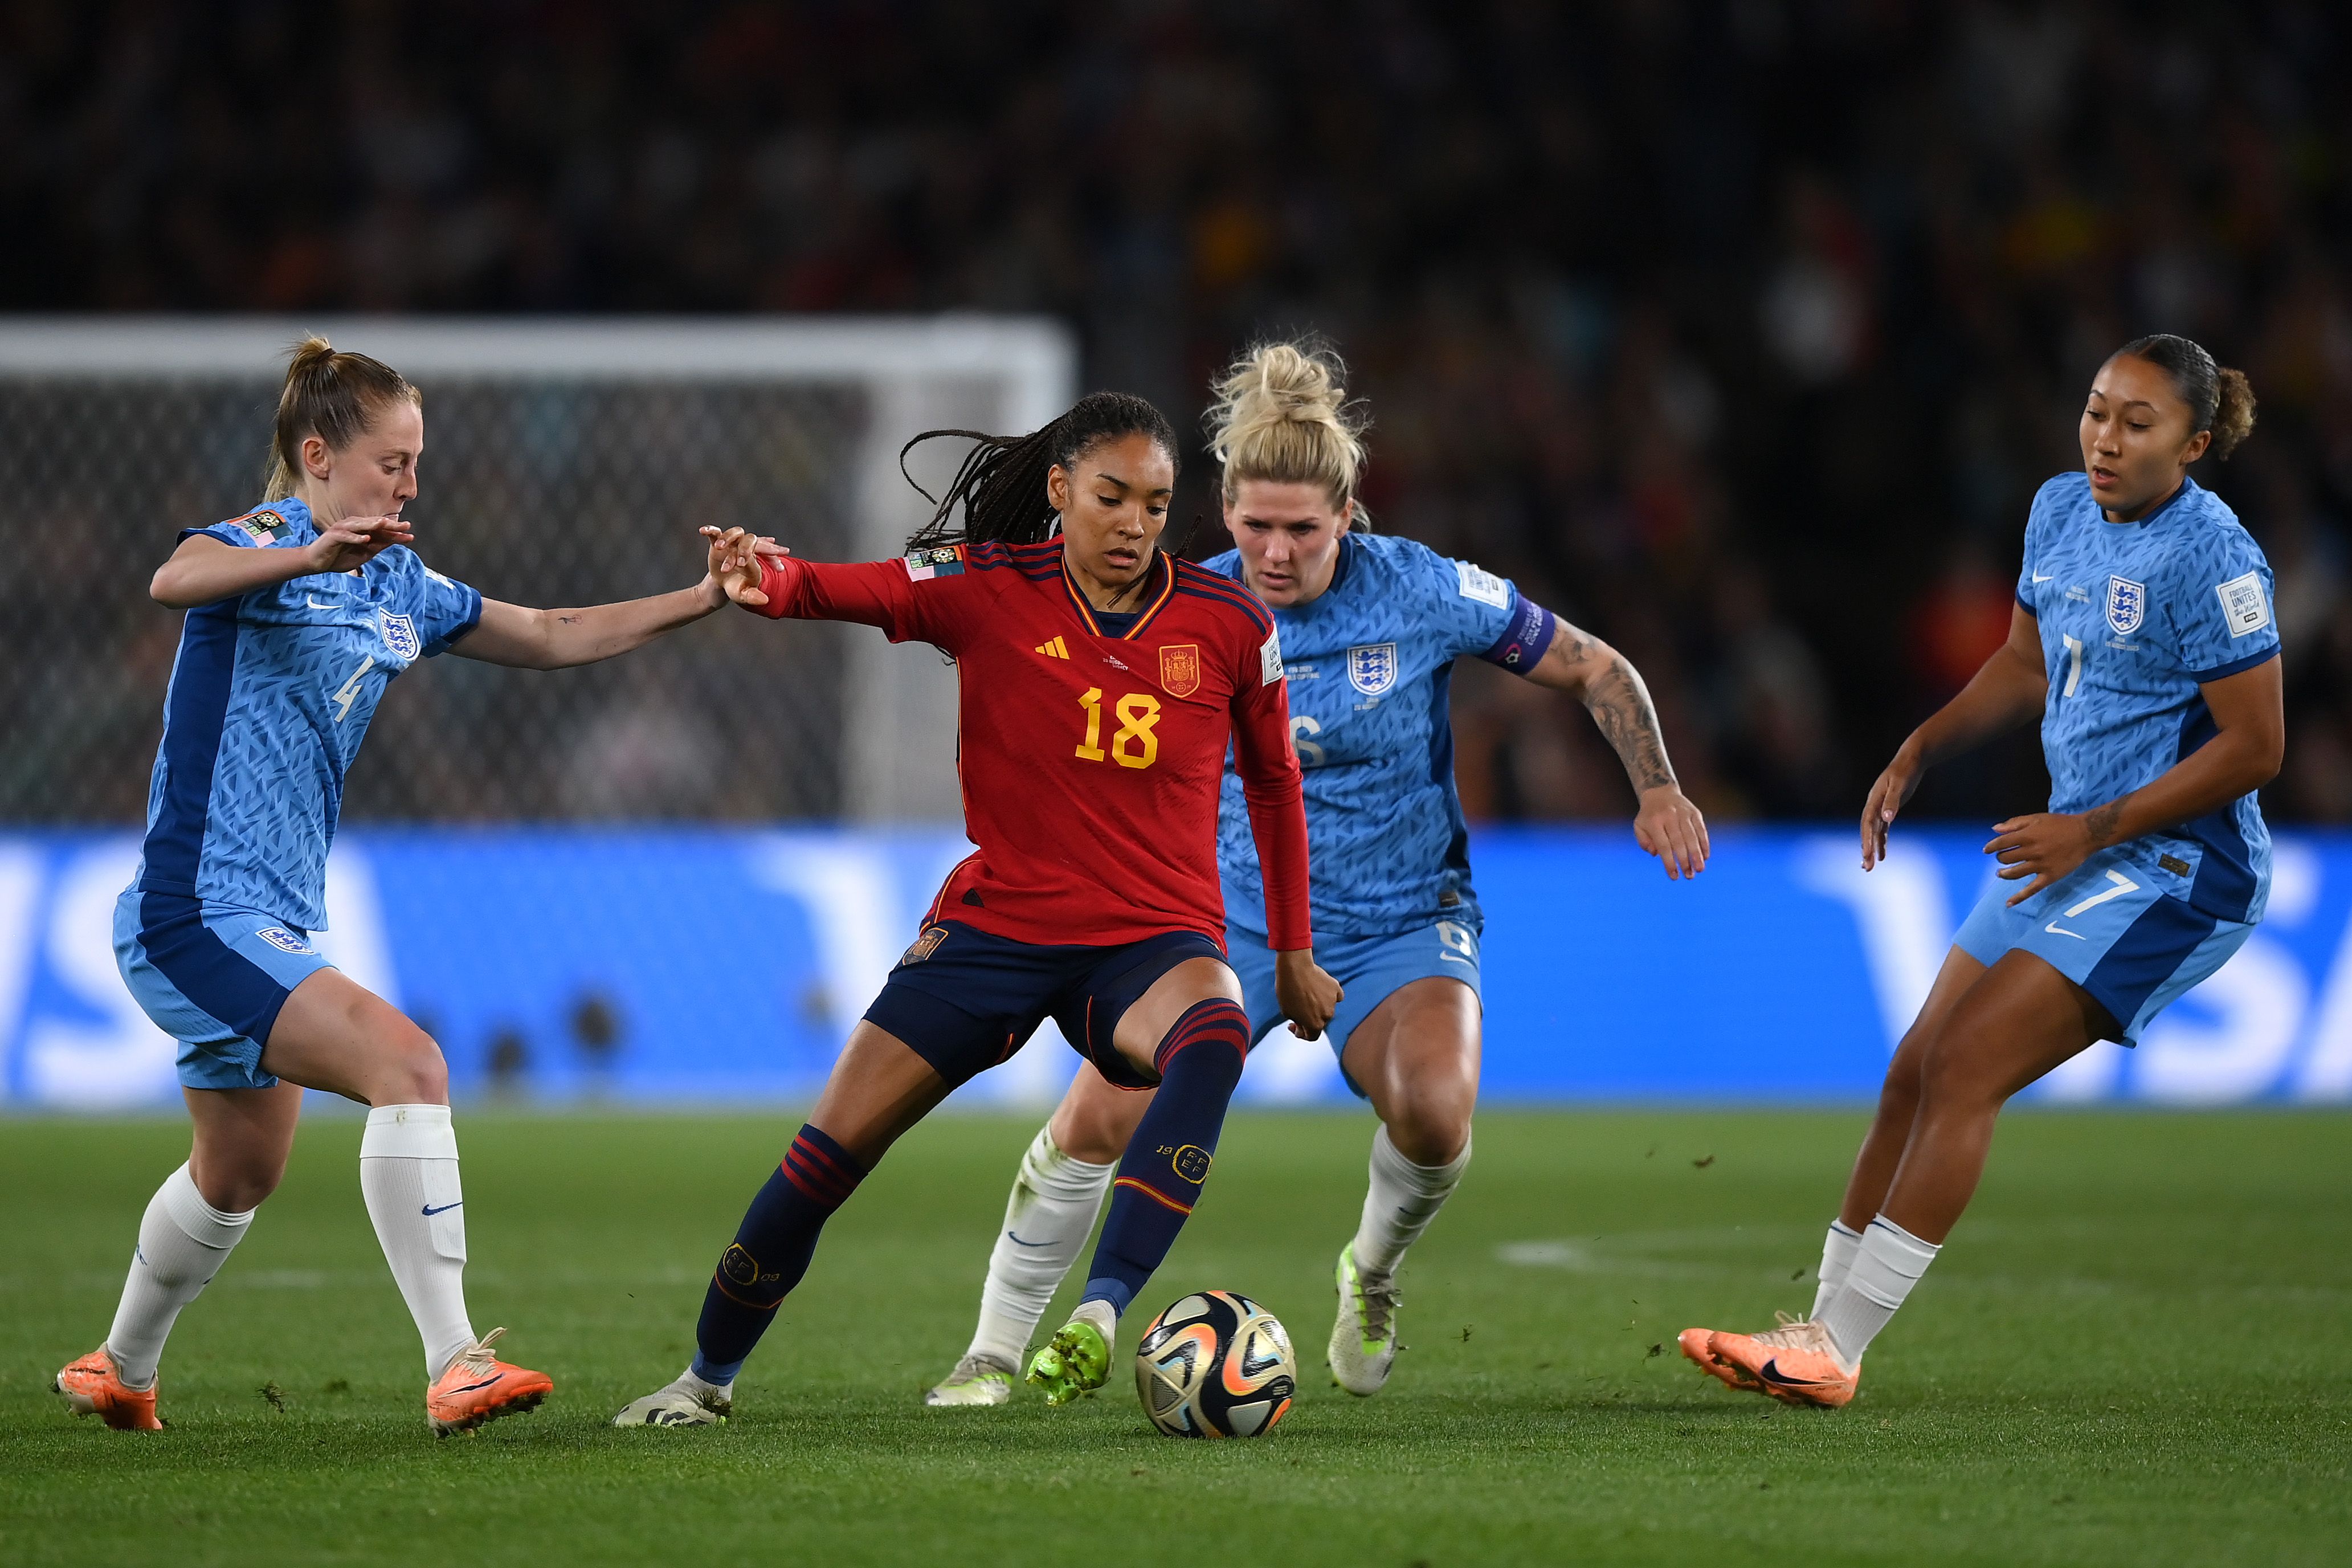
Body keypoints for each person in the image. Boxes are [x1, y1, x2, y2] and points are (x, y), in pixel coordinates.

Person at [923, 341, 1710, 1408]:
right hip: (1223, 918)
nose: (1278, 552)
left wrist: (1656, 786)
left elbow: (1593, 664)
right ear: (1227, 514)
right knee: (1098, 1120)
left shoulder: (1425, 591)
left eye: (1304, 529)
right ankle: (991, 1355)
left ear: (1350, 517)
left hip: (1401, 917)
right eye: (1255, 527)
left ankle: (1371, 1271)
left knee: (1435, 1113)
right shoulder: (1185, 610)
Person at [54, 337, 756, 1436]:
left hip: (275, 918)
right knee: (410, 1064)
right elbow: (172, 577)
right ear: (318, 454)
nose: (411, 483)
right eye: (393, 460)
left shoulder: (398, 580)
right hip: (195, 912)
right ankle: (456, 1360)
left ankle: (119, 1366)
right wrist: (306, 557)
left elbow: (547, 632)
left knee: (239, 1171)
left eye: (418, 461)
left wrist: (700, 599)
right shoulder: (265, 544)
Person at [612, 390, 1340, 1427]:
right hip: (996, 929)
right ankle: (704, 1380)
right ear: (1060, 491)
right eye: (1112, 497)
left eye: (1157, 504)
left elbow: (1274, 785)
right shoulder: (987, 588)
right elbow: (833, 587)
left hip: (1148, 939)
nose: (1135, 524)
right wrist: (761, 578)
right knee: (825, 1158)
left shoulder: (1229, 623)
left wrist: (1298, 949)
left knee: (1216, 1024)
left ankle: (1097, 1312)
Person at [1679, 334, 2280, 1408]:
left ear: (2191, 444)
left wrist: (2091, 831)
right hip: (2079, 838)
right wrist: (1918, 748)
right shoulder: (2058, 509)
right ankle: (1814, 1331)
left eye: (2136, 424)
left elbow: (2256, 748)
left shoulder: (2215, 558)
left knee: (1966, 1068)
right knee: (1914, 1067)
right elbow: (2024, 661)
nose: (2104, 438)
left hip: (2180, 870)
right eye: (2096, 410)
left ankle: (1840, 1352)